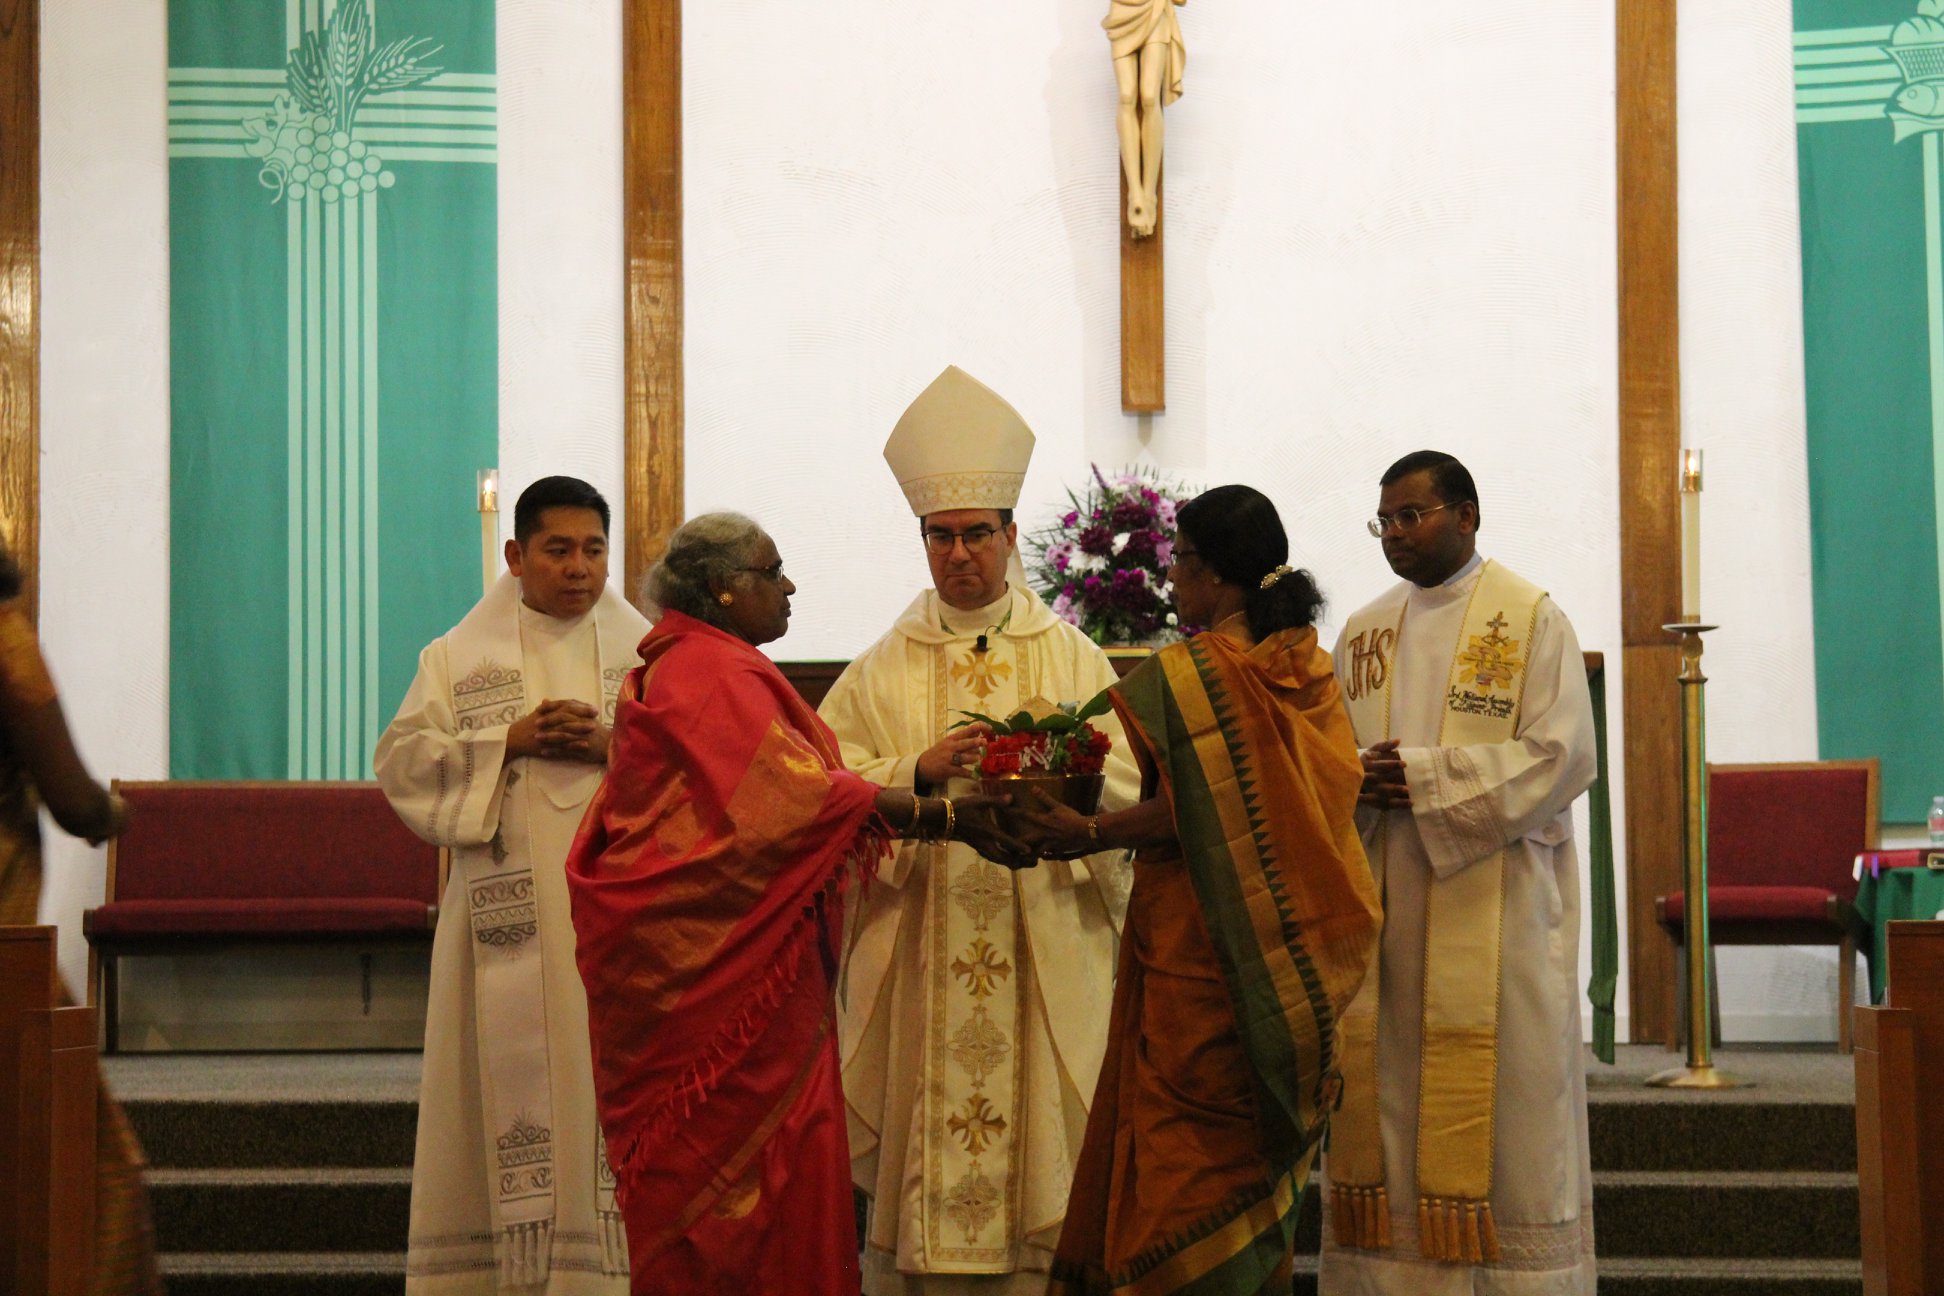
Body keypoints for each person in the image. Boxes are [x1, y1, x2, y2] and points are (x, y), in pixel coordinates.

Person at [564, 512, 1018, 1296]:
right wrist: (947, 816)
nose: (790, 587)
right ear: (724, 591)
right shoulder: (714, 675)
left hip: (710, 974)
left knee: (718, 1196)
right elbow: (796, 803)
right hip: (723, 994)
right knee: (750, 1197)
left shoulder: (682, 662)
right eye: (773, 573)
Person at [1008, 484, 1382, 1296]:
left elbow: (1187, 815)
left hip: (1200, 963)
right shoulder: (1308, 667)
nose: (1172, 577)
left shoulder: (1196, 675)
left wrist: (1088, 833)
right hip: (1285, 974)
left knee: (1178, 1176)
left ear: (1213, 574)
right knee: (1254, 1176)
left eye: (1180, 561)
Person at [818, 365, 1140, 1295]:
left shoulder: (1067, 651)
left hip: (1040, 926)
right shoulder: (885, 664)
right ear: (923, 540)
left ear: (1009, 537)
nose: (959, 554)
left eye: (976, 536)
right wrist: (917, 768)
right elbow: (826, 778)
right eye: (941, 536)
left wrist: (1048, 774)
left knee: (1043, 1131)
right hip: (925, 933)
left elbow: (1121, 776)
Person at [1320, 450, 1598, 1294]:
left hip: (1501, 909)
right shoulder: (1361, 633)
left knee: (1511, 1113)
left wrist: (1432, 779)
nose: (1395, 535)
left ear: (1467, 514)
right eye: (1385, 522)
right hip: (1387, 908)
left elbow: (1565, 755)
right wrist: (1353, 779)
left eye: (1412, 516)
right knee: (1387, 1094)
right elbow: (1325, 756)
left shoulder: (1529, 619)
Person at [375, 476, 648, 1293]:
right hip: (504, 921)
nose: (578, 568)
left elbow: (697, 765)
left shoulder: (648, 656)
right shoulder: (456, 657)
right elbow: (402, 766)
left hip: (619, 926)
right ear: (515, 556)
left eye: (594, 550)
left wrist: (615, 746)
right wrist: (509, 741)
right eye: (558, 550)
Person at [0, 550, 162, 1295]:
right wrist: (110, 814)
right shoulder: (6, 643)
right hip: (4, 951)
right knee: (90, 1161)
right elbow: (69, 795)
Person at [1104, 0, 1186, 236]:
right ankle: (1135, 192)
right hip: (1121, 11)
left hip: (1156, 10)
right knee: (1127, 94)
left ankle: (1148, 193)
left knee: (1150, 96)